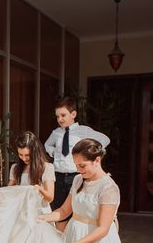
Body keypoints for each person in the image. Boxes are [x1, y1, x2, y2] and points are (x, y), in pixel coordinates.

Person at [44, 97, 110, 229]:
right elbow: (46, 144)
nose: (60, 119)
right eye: (57, 116)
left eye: (63, 115)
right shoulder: (56, 133)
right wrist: (54, 152)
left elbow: (105, 140)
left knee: (74, 210)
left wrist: (90, 153)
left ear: (73, 114)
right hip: (59, 177)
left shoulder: (83, 131)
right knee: (58, 208)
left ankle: (72, 238)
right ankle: (60, 241)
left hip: (76, 176)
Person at [7, 131, 55, 214]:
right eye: (20, 155)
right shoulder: (15, 168)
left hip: (39, 211)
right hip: (20, 211)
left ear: (35, 152)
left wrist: (39, 189)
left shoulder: (46, 167)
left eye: (27, 155)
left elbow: (50, 198)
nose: (24, 158)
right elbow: (8, 191)